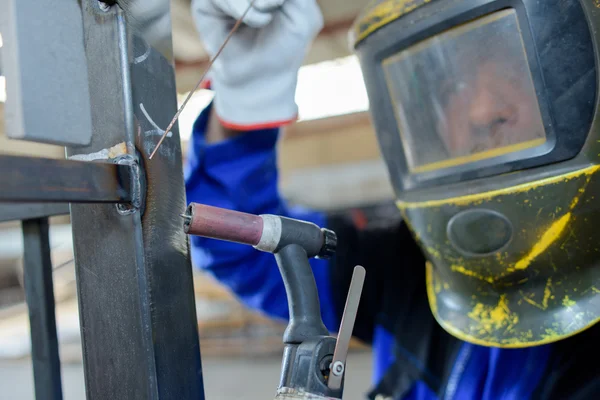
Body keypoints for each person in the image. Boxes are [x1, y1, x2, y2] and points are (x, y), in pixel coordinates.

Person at [185, 0, 600, 399]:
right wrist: (245, 101)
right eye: (456, 83)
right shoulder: (395, 267)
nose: (481, 110)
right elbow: (235, 246)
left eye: (519, 68)